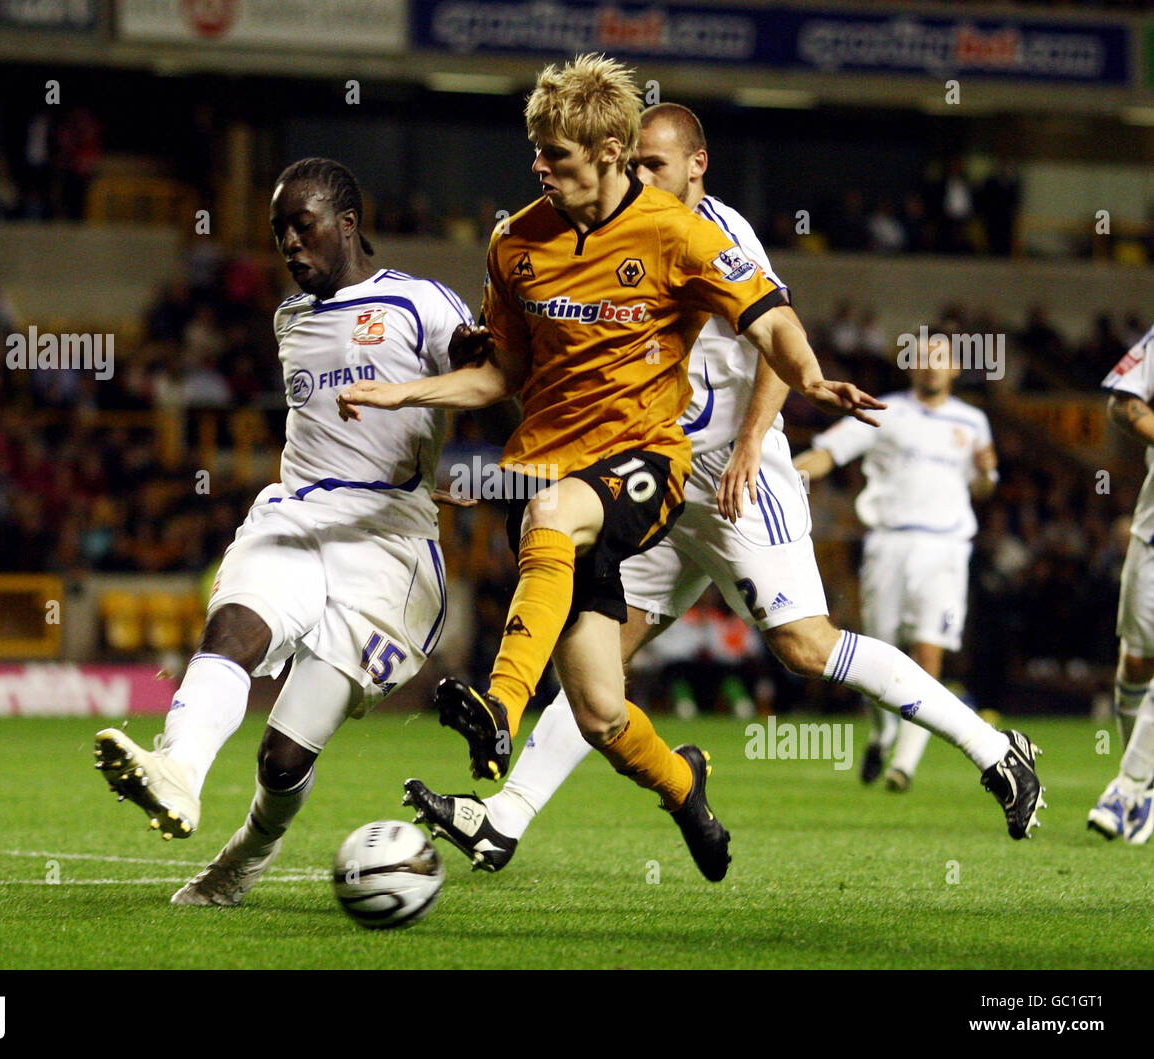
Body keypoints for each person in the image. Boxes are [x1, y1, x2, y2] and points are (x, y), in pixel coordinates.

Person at [394, 104, 1045, 875]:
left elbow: (775, 333)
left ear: (696, 166)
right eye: (631, 165)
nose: (638, 179)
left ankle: (997, 750)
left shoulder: (722, 235)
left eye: (654, 166)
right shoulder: (613, 232)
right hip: (644, 474)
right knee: (598, 659)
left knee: (805, 645)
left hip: (737, 475)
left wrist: (745, 448)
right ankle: (504, 817)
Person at [338, 57, 885, 882]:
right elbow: (501, 376)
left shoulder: (678, 232)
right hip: (563, 464)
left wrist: (806, 374)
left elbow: (772, 318)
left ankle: (499, 705)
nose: (539, 167)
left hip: (648, 464)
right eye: (536, 151)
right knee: (599, 709)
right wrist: (405, 392)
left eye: (555, 154)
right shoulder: (515, 244)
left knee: (550, 513)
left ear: (610, 151)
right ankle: (685, 786)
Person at [93, 158, 467, 906]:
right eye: (278, 232)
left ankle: (242, 861)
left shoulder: (421, 303)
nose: (289, 245)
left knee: (285, 754)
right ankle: (177, 772)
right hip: (297, 512)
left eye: (304, 225)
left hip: (389, 543)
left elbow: (486, 377)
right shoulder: (289, 317)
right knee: (234, 630)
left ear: (348, 223)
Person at [797, 334, 998, 792]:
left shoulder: (973, 422)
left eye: (940, 360)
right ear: (911, 368)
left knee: (929, 652)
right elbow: (829, 452)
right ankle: (882, 732)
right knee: (879, 650)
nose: (931, 367)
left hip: (946, 550)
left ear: (954, 369)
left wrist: (986, 473)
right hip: (888, 545)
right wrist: (789, 474)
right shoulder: (884, 412)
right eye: (924, 359)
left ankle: (903, 764)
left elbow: (982, 490)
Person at [1088, 324, 1154, 843]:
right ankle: (1146, 782)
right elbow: (1122, 402)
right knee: (1136, 662)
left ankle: (1128, 785)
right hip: (1152, 538)